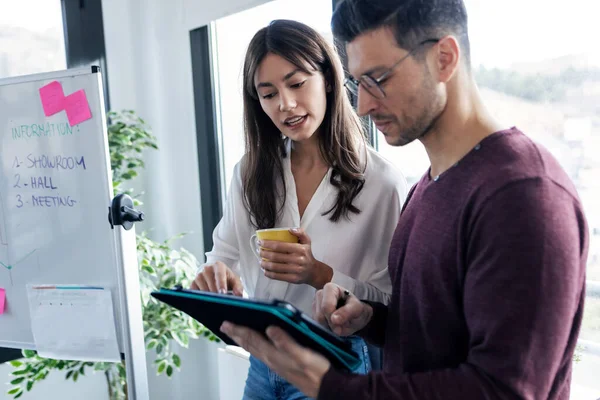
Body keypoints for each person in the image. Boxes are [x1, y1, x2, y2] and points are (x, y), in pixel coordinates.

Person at [220, 1, 589, 399]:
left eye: (379, 79)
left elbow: (505, 390)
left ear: (444, 58)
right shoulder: (428, 188)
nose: (362, 104)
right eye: (359, 82)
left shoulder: (524, 195)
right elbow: (422, 333)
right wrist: (366, 317)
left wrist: (328, 386)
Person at [192, 19, 407, 400]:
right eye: (268, 93)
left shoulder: (381, 183)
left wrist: (318, 274)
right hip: (262, 362)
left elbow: (390, 305)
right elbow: (223, 257)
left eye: (296, 83)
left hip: (333, 363)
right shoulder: (250, 173)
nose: (285, 104)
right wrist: (217, 278)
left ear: (326, 78)